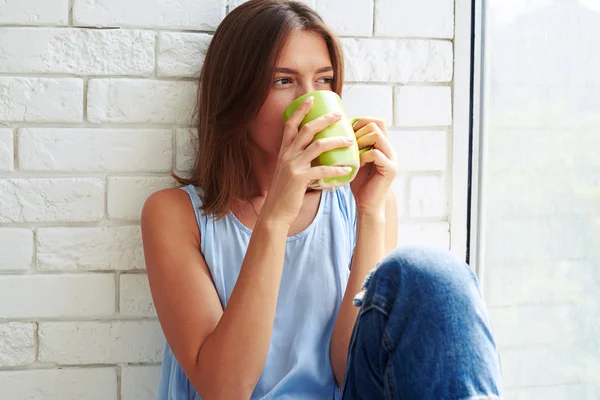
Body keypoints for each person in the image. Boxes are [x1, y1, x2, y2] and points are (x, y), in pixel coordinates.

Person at [140, 0, 503, 399]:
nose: (311, 101)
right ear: (237, 95)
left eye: (324, 80)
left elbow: (349, 369)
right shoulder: (175, 215)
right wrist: (276, 217)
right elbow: (225, 388)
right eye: (284, 81)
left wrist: (370, 212)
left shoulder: (358, 203)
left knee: (432, 272)